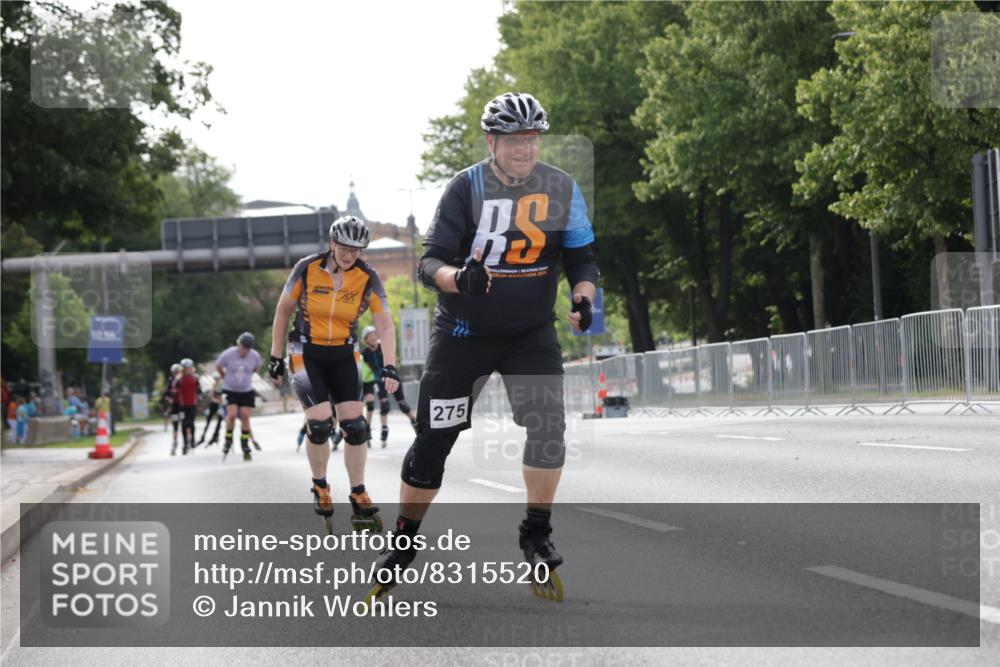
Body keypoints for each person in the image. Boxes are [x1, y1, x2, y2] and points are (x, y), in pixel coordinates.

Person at [369, 92, 598, 601]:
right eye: (514, 141)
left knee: (549, 428)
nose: (524, 149)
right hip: (463, 336)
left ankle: (536, 535)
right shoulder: (465, 187)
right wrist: (459, 279)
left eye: (531, 139)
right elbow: (428, 263)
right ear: (492, 142)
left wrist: (583, 298)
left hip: (530, 334)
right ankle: (403, 543)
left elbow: (582, 260)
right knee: (434, 440)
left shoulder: (562, 187)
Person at [267, 215, 399, 532]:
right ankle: (320, 484)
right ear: (332, 244)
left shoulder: (368, 277)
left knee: (356, 427)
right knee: (320, 424)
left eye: (356, 250)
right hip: (305, 350)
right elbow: (283, 310)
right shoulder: (307, 268)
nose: (349, 255)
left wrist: (390, 363)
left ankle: (358, 492)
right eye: (344, 248)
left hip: (344, 352)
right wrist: (275, 356)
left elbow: (384, 324)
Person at [360, 325, 417, 448]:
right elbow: (369, 368)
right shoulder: (365, 354)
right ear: (366, 339)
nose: (373, 337)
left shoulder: (383, 346)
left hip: (392, 377)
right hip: (380, 380)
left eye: (374, 335)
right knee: (384, 405)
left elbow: (393, 359)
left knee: (403, 405)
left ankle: (416, 423)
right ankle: (384, 429)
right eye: (370, 336)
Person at [215, 332, 262, 462]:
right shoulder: (228, 353)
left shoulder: (255, 356)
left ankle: (244, 442)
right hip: (230, 390)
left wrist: (247, 377)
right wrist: (224, 376)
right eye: (242, 346)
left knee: (245, 416)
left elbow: (255, 368)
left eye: (247, 348)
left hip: (246, 390)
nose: (244, 350)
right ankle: (228, 439)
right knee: (232, 415)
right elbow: (218, 366)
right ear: (238, 344)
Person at [177, 358, 200, 455]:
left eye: (189, 368)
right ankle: (185, 443)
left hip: (192, 404)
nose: (188, 370)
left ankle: (193, 440)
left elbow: (199, 390)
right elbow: (174, 391)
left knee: (191, 422)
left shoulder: (195, 378)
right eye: (186, 368)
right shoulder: (179, 379)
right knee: (184, 423)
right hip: (182, 405)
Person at [197, 371, 224, 447]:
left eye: (217, 379)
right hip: (213, 405)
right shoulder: (213, 385)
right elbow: (212, 397)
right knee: (208, 421)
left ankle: (215, 436)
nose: (216, 380)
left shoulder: (222, 386)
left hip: (220, 406)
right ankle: (203, 436)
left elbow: (222, 398)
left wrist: (219, 401)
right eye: (215, 379)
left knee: (219, 421)